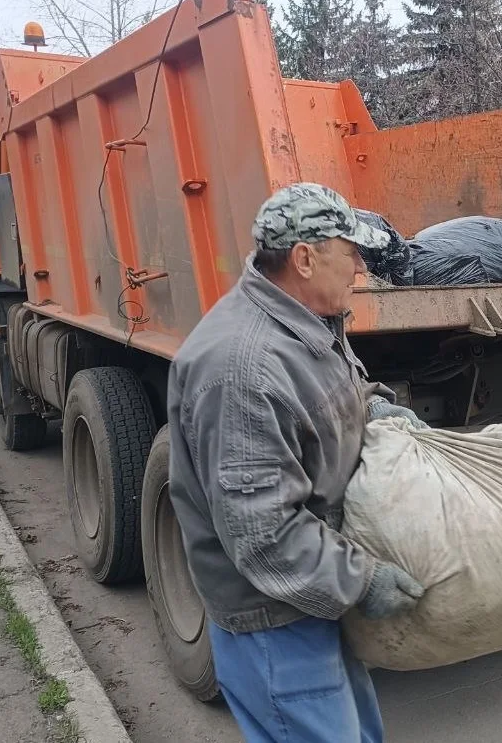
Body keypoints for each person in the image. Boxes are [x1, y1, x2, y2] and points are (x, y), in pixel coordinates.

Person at [167, 183, 425, 743]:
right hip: (273, 621)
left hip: (311, 599)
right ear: (304, 258)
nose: (360, 266)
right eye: (350, 251)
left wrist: (376, 410)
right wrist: (364, 581)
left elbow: (322, 403)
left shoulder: (303, 320)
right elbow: (262, 533)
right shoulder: (243, 371)